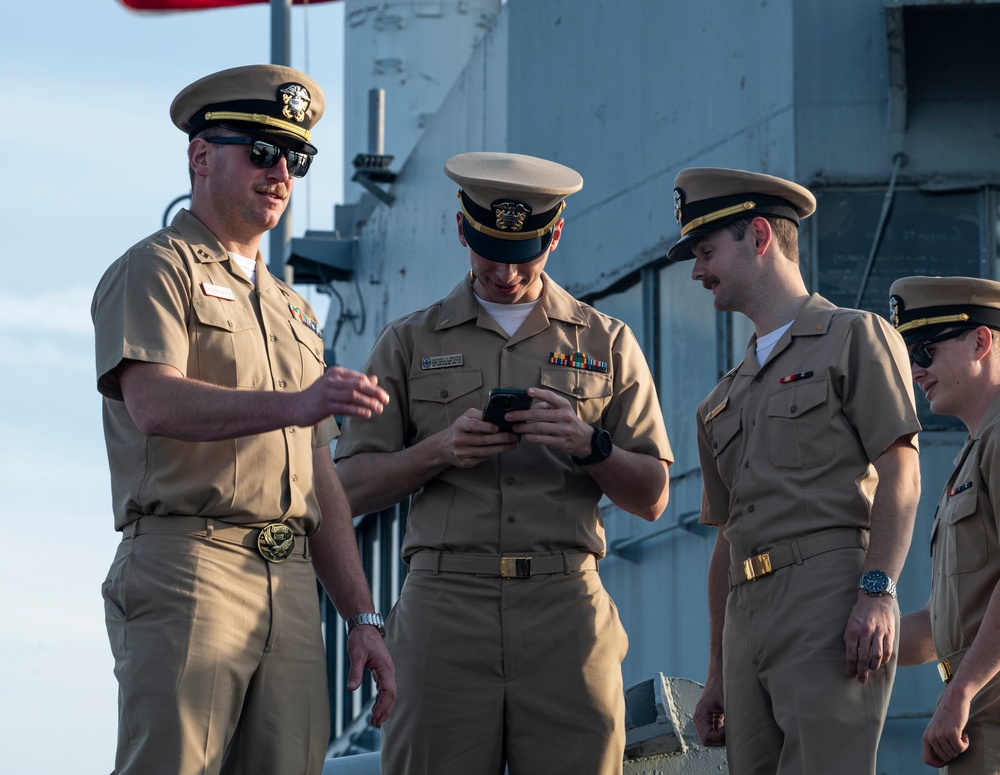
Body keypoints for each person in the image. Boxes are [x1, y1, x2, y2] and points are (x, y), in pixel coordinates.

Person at [91, 65, 396, 775]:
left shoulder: (295, 311)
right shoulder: (156, 269)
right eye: (260, 150)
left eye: (296, 157)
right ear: (200, 157)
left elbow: (321, 480)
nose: (281, 170)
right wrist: (297, 403)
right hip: (189, 562)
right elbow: (154, 402)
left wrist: (362, 616)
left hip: (289, 583)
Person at [334, 150, 672, 775]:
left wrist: (586, 443)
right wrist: (440, 449)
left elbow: (653, 495)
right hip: (444, 605)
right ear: (462, 229)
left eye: (525, 254)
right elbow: (346, 487)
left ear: (556, 235)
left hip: (565, 605)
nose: (506, 272)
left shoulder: (607, 342)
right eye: (490, 249)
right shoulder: (408, 342)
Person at [677, 167, 921, 775]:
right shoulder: (718, 402)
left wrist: (878, 590)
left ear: (759, 235)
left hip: (827, 597)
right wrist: (715, 671)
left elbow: (902, 473)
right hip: (745, 616)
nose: (697, 271)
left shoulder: (854, 338)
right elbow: (725, 538)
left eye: (707, 251)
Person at [892, 276, 1000, 772]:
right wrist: (839, 638)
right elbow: (939, 626)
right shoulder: (973, 453)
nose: (916, 370)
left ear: (981, 341)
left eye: (925, 349)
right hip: (974, 712)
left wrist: (961, 688)